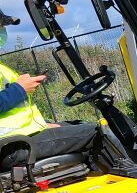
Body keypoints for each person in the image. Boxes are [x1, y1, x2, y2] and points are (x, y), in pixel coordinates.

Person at [0, 9, 103, 170]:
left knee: (78, 124)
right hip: (11, 146)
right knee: (98, 134)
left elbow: (13, 117)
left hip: (15, 140)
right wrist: (20, 89)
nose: (3, 32)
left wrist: (43, 125)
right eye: (1, 26)